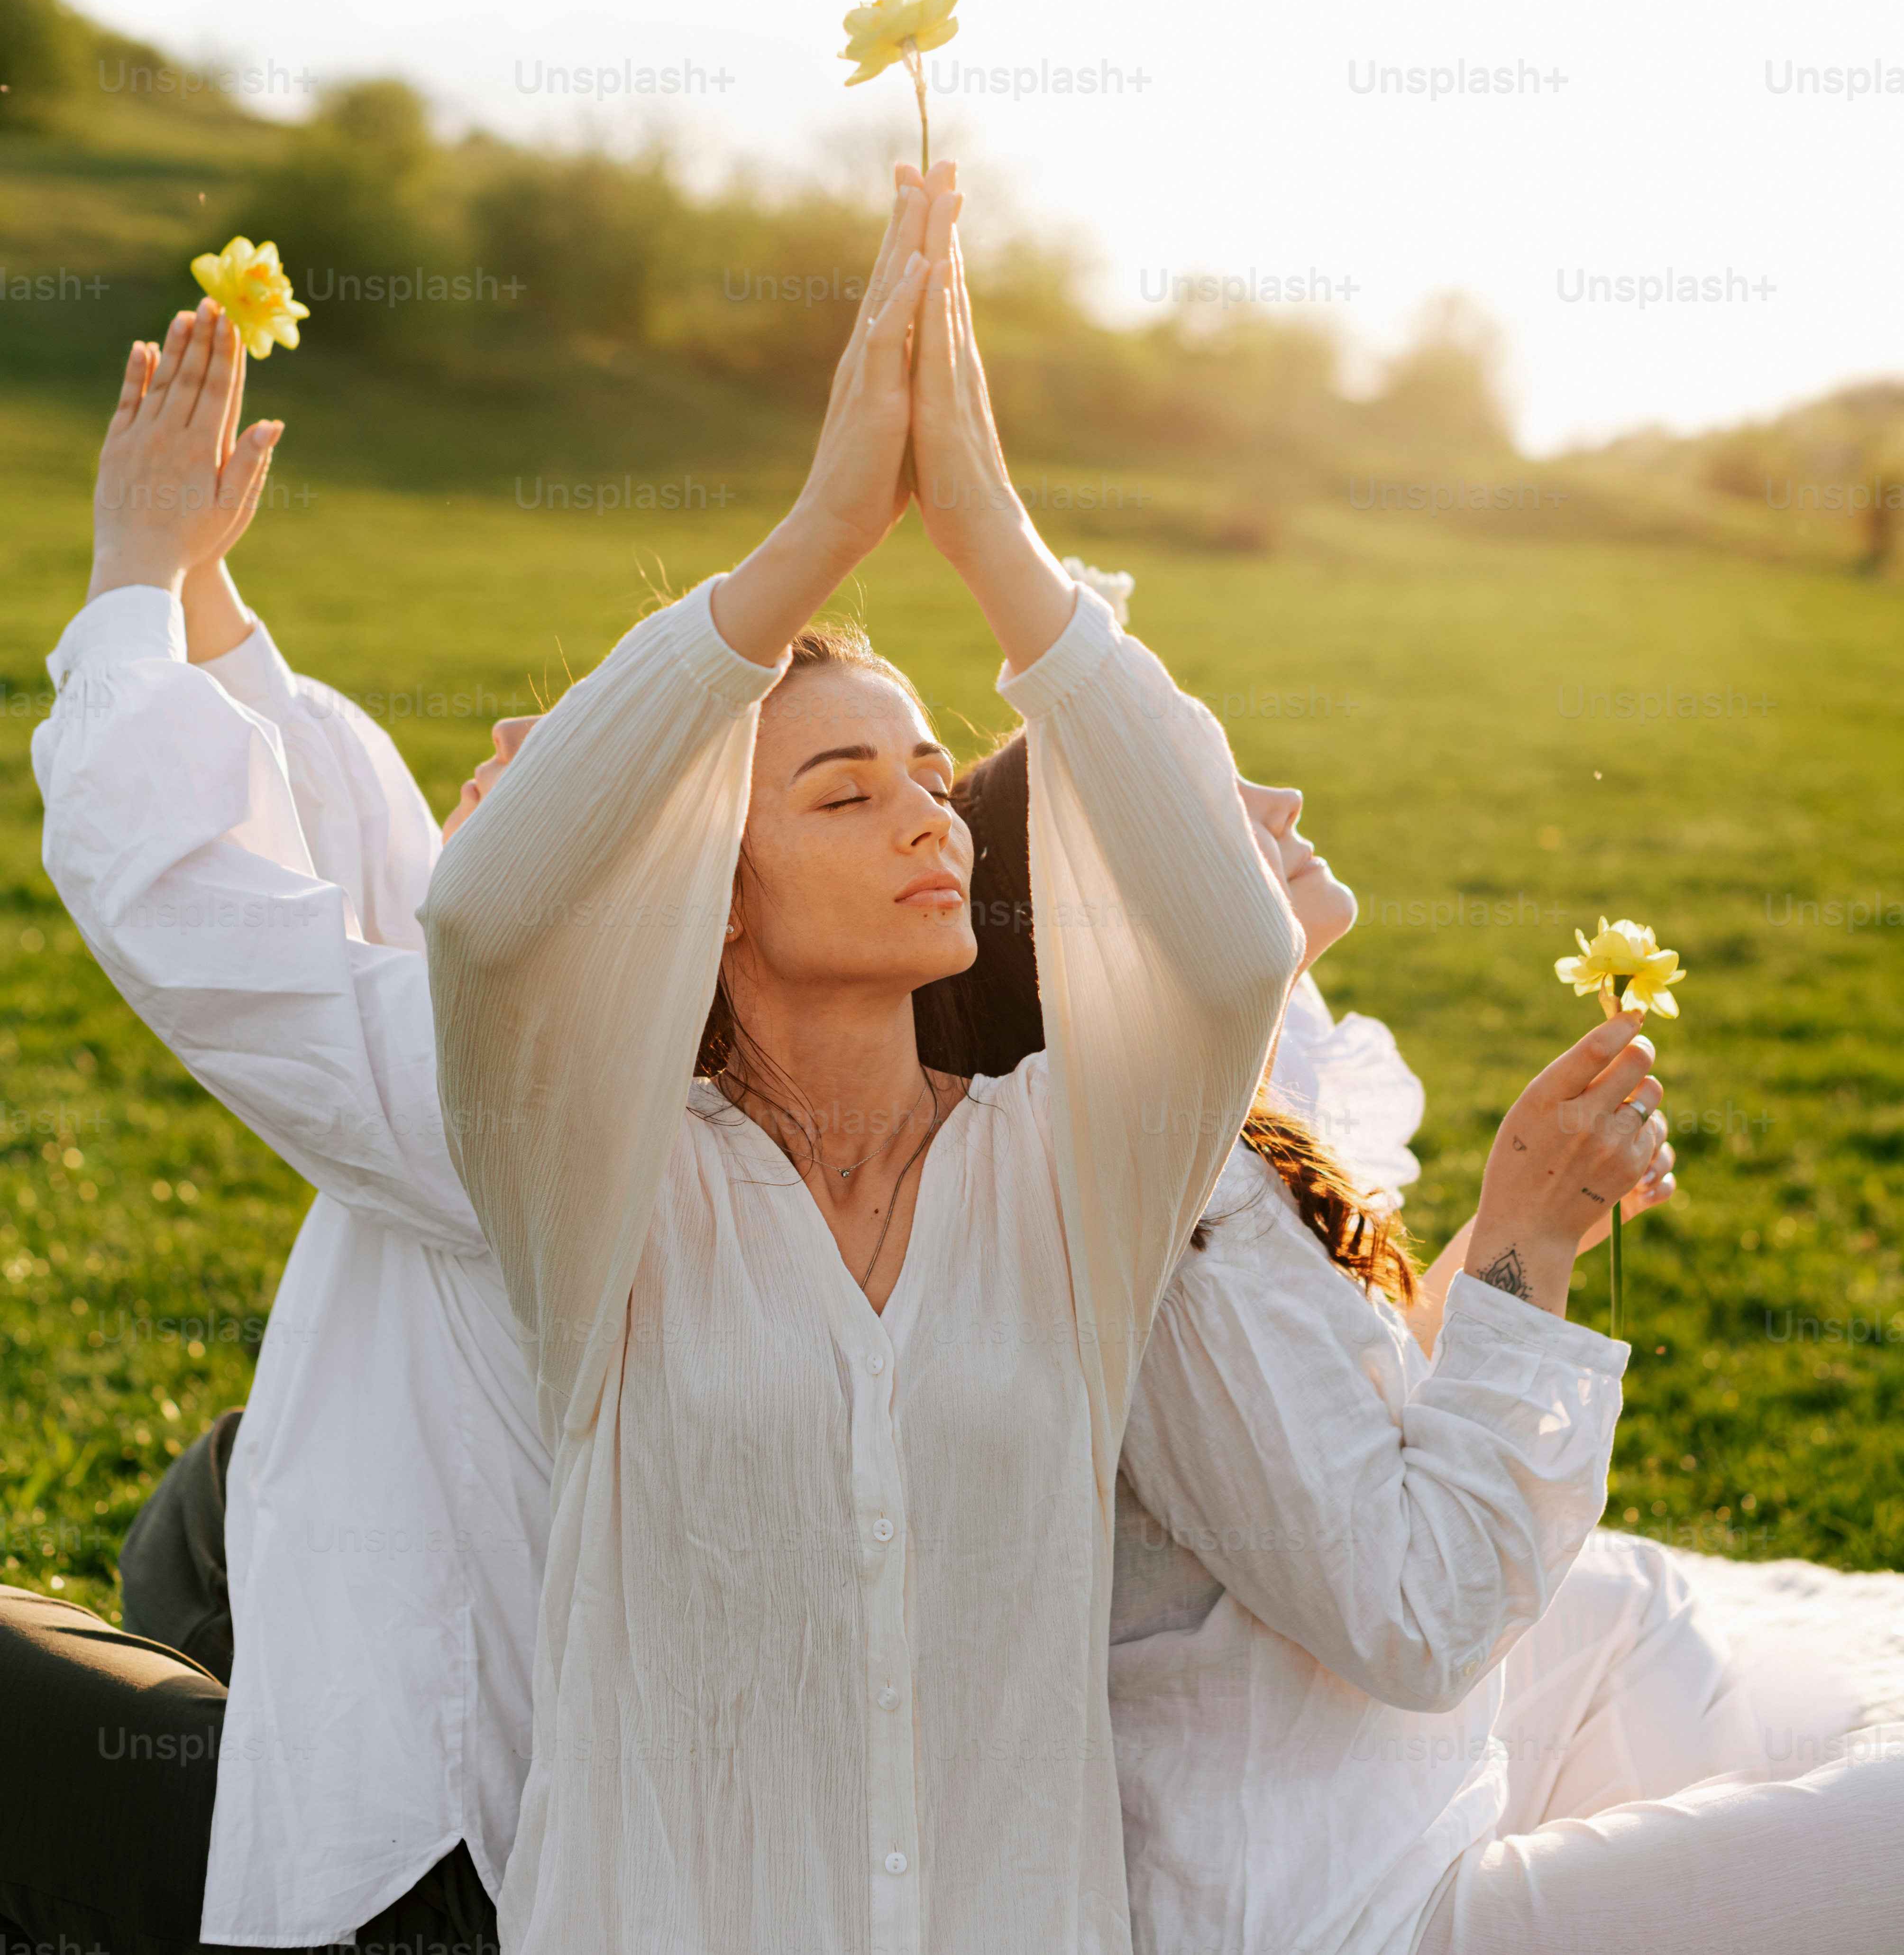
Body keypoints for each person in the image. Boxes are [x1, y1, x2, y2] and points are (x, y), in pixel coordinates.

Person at [422, 168, 1306, 1954]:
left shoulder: (1065, 1169)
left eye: (926, 774)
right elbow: (484, 920)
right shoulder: (611, 1180)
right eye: (844, 789)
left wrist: (990, 526)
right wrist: (820, 531)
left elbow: (1232, 947)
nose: (929, 815)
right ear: (711, 896)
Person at [939, 719, 1904, 1955]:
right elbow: (1418, 1615)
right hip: (1331, 1910)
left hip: (1364, 1789)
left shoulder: (1198, 1131)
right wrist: (1530, 1233)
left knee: (1648, 1611)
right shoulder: (1180, 1225)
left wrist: (1540, 1209)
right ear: (1133, 903)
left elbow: (1363, 1408)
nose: (1283, 798)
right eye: (1219, 797)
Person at [29, 296, 548, 1951]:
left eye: (573, 765)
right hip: (493, 1774)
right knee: (213, 1498)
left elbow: (212, 905)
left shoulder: (533, 1103)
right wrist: (201, 592)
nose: (511, 742)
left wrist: (128, 580)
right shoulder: (603, 1027)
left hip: (448, 1885)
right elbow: (374, 887)